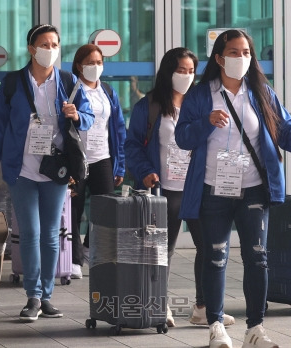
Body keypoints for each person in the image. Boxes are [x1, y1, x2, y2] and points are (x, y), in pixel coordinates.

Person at [174, 29, 291, 348]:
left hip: (254, 188)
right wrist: (206, 122)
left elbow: (286, 130)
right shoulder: (202, 95)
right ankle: (216, 325)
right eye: (233, 52)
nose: (241, 58)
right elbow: (183, 137)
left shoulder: (262, 92)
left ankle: (255, 329)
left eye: (245, 52)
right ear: (218, 58)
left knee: (258, 257)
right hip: (213, 188)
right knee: (216, 255)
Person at [0, 24, 94, 322]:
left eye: (55, 44)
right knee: (29, 233)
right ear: (31, 48)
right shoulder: (14, 83)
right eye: (44, 44)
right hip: (22, 169)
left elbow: (88, 116)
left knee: (51, 235)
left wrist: (77, 115)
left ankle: (47, 295)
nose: (50, 49)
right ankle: (33, 297)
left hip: (55, 169)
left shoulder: (68, 80)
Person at [125, 47, 235, 329]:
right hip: (164, 188)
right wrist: (146, 171)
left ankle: (203, 306)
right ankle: (159, 304)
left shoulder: (201, 104)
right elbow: (133, 145)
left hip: (198, 185)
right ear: (167, 72)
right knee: (163, 249)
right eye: (180, 70)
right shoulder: (149, 106)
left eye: (190, 71)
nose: (186, 76)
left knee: (208, 248)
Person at [69, 44, 126, 279]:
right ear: (79, 65)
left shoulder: (108, 91)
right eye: (90, 63)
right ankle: (72, 259)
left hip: (102, 156)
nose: (95, 67)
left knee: (105, 208)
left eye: (99, 62)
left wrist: (119, 163)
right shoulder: (71, 89)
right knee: (74, 209)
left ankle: (90, 248)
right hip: (77, 158)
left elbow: (119, 129)